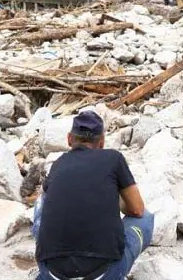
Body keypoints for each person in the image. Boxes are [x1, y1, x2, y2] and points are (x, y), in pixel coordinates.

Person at [31, 111, 154, 280]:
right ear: (102, 142)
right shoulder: (114, 159)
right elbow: (137, 210)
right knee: (146, 219)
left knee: (42, 202)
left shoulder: (58, 164)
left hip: (51, 273)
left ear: (69, 139)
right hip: (104, 274)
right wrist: (112, 197)